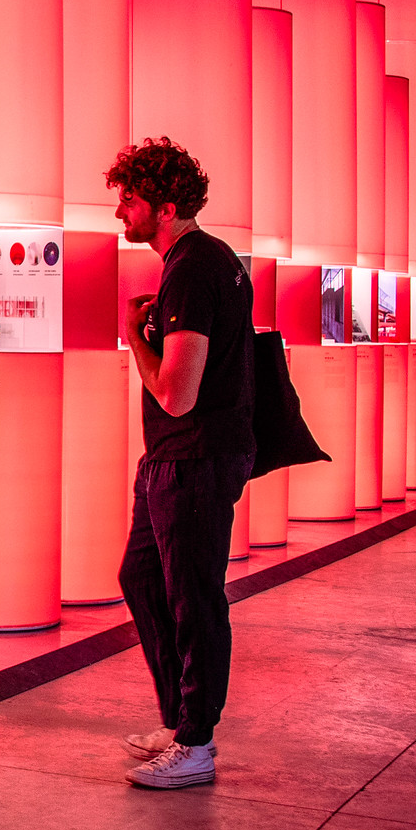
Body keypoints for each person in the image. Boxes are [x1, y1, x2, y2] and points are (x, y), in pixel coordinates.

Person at [109, 138, 254, 790]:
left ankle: (195, 743)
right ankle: (180, 721)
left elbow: (175, 392)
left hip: (193, 460)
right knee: (143, 578)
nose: (120, 213)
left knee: (193, 599)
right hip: (174, 460)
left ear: (164, 207)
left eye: (129, 200)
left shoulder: (193, 270)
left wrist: (132, 342)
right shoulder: (204, 263)